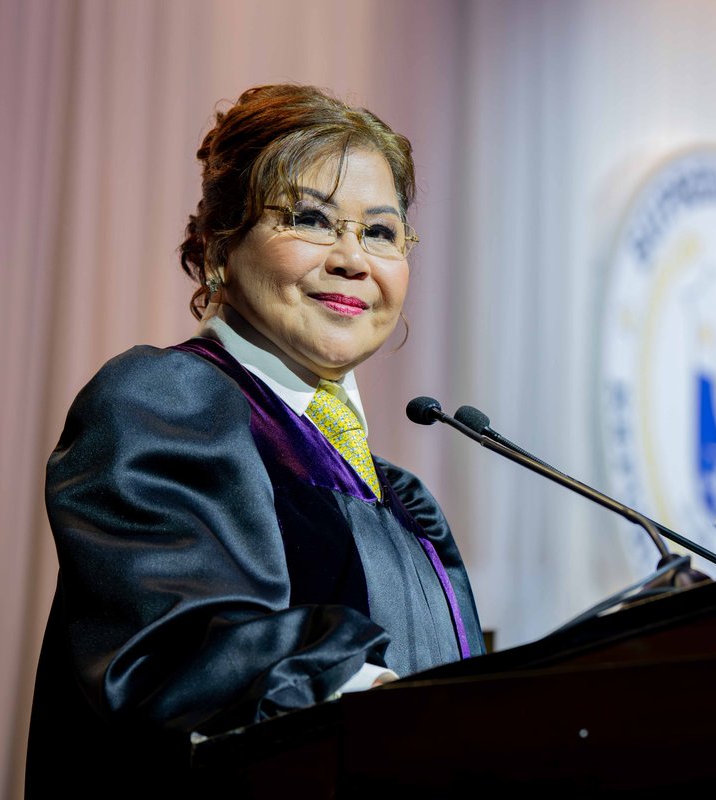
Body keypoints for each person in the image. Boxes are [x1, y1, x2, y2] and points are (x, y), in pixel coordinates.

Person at [25, 84, 485, 796]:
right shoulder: (167, 401)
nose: (351, 259)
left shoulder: (399, 498)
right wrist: (388, 706)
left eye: (382, 232)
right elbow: (177, 650)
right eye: (310, 219)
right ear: (218, 246)